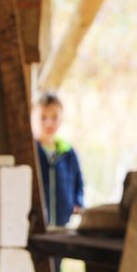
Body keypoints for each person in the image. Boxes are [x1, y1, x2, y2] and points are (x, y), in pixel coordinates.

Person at [34, 93, 85, 228]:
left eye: (54, 117)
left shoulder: (68, 152)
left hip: (63, 221)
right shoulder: (33, 151)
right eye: (43, 117)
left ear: (61, 119)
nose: (49, 123)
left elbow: (79, 182)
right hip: (38, 222)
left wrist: (78, 203)